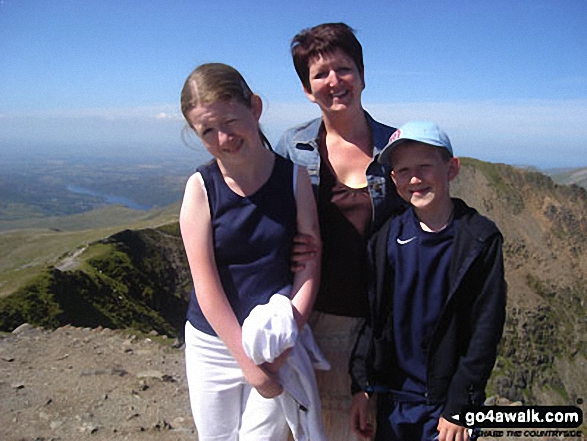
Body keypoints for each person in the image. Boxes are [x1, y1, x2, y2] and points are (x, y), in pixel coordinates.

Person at [275, 22, 405, 440]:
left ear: (362, 75)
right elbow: (263, 219)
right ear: (306, 89)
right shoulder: (291, 147)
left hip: (364, 327)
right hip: (302, 321)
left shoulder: (396, 149)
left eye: (344, 69)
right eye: (320, 74)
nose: (334, 82)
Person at [179, 63, 321, 441]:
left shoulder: (294, 179)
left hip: (274, 340)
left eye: (230, 121)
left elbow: (309, 264)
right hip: (213, 345)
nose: (223, 138)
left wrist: (287, 338)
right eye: (207, 131)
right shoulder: (200, 188)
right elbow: (205, 286)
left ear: (254, 107)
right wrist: (249, 365)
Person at [349, 121, 507, 441]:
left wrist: (461, 404)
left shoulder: (479, 240)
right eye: (404, 170)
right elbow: (373, 319)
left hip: (446, 406)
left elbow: (484, 332)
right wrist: (362, 387)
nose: (415, 178)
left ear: (451, 168)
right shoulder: (386, 239)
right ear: (393, 180)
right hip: (393, 400)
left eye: (425, 166)